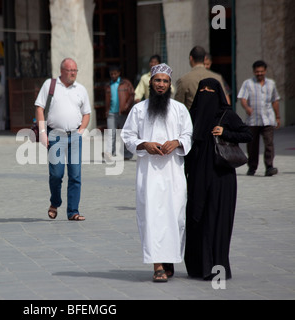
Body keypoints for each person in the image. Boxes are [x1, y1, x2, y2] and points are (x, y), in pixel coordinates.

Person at [121, 63, 193, 282]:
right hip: (149, 174)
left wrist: (177, 141)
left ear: (169, 84)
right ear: (150, 83)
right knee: (152, 217)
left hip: (173, 174)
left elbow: (189, 135)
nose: (161, 84)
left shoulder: (180, 109)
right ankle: (158, 266)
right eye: (157, 80)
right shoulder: (139, 109)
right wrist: (144, 144)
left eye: (165, 81)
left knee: (174, 216)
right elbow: (127, 136)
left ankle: (169, 260)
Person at [185, 78, 252, 280]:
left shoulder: (226, 115)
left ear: (219, 93)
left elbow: (247, 134)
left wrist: (226, 132)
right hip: (197, 177)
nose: (206, 93)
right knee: (197, 218)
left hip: (221, 178)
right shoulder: (191, 115)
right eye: (202, 89)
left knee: (218, 221)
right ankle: (198, 267)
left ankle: (217, 267)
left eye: (210, 90)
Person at [35, 58, 91, 221]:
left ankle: (73, 211)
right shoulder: (50, 85)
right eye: (70, 70)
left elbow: (86, 113)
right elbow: (40, 107)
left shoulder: (80, 89)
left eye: (75, 70)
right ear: (62, 71)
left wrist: (80, 132)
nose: (73, 73)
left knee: (75, 175)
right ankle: (55, 202)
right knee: (56, 174)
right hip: (55, 135)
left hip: (74, 136)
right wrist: (43, 132)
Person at [237, 60, 281, 177]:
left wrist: (277, 116)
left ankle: (269, 166)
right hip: (253, 121)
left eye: (261, 71)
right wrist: (246, 107)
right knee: (252, 145)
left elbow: (275, 100)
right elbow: (242, 98)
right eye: (257, 72)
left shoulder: (271, 84)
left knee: (269, 143)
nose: (259, 73)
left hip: (268, 119)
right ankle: (252, 167)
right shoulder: (248, 83)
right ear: (254, 72)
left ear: (265, 71)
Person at [104, 64, 135, 161]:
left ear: (119, 73)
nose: (113, 75)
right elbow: (107, 100)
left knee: (124, 134)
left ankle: (127, 154)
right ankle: (109, 153)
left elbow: (132, 94)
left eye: (115, 73)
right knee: (110, 133)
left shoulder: (125, 83)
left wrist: (127, 105)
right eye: (111, 74)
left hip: (123, 113)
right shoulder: (108, 85)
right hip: (111, 114)